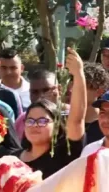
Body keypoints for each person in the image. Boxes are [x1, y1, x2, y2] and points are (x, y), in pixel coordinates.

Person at [20, 49, 87, 177]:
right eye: (30, 121)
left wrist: (78, 74)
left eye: (42, 121)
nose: (35, 125)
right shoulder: (14, 159)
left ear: (56, 126)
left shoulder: (65, 154)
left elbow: (77, 119)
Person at [15, 68, 62, 140]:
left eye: (46, 90)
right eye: (34, 92)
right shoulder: (22, 120)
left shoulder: (72, 117)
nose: (40, 97)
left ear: (59, 90)